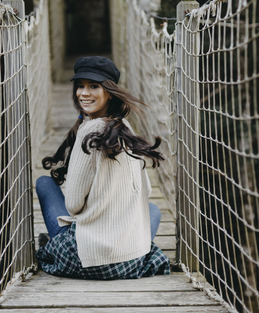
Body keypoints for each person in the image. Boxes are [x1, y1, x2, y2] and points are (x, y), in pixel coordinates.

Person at [36, 56, 170, 279]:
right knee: (153, 210)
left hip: (86, 259)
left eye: (94, 86)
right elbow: (144, 192)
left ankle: (58, 245)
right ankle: (123, 247)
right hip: (130, 261)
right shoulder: (125, 128)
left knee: (44, 183)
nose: (84, 93)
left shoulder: (88, 131)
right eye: (80, 86)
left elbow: (73, 206)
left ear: (109, 91)